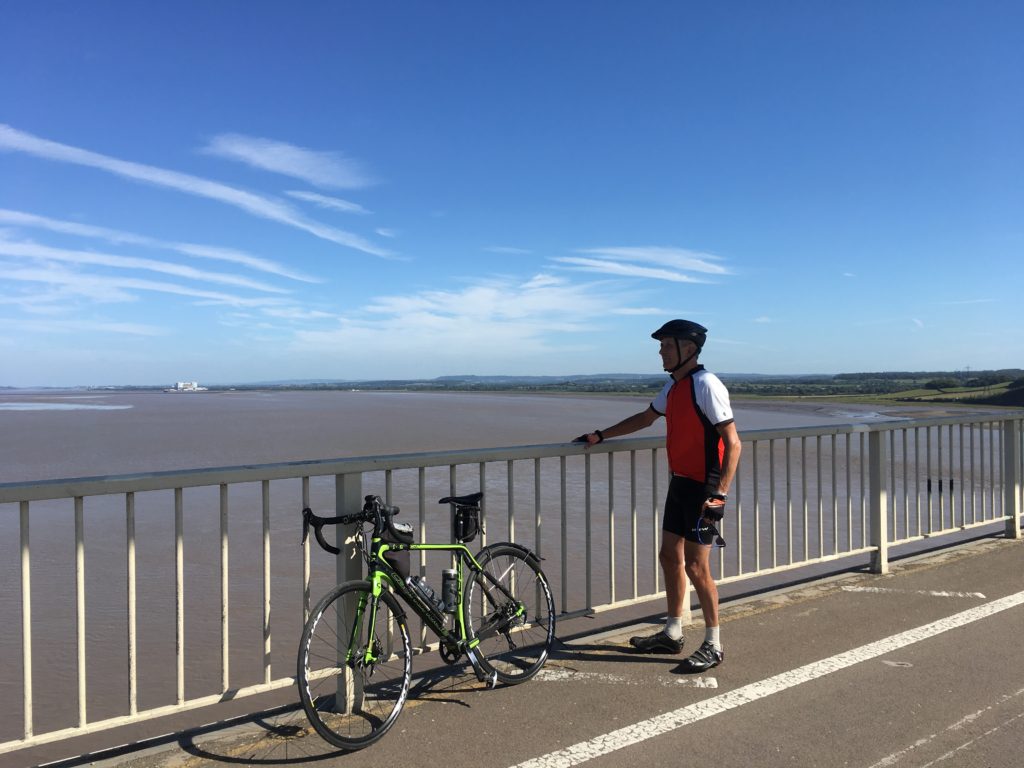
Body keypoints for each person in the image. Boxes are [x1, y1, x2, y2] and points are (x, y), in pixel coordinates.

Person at [573, 319, 741, 672]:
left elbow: (733, 443)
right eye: (662, 345)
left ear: (688, 349)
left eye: (667, 345)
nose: (660, 351)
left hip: (704, 488)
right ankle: (673, 632)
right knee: (669, 556)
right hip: (680, 483)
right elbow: (645, 419)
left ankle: (713, 644)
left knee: (697, 566)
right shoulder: (673, 387)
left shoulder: (706, 384)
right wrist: (600, 435)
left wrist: (720, 495)